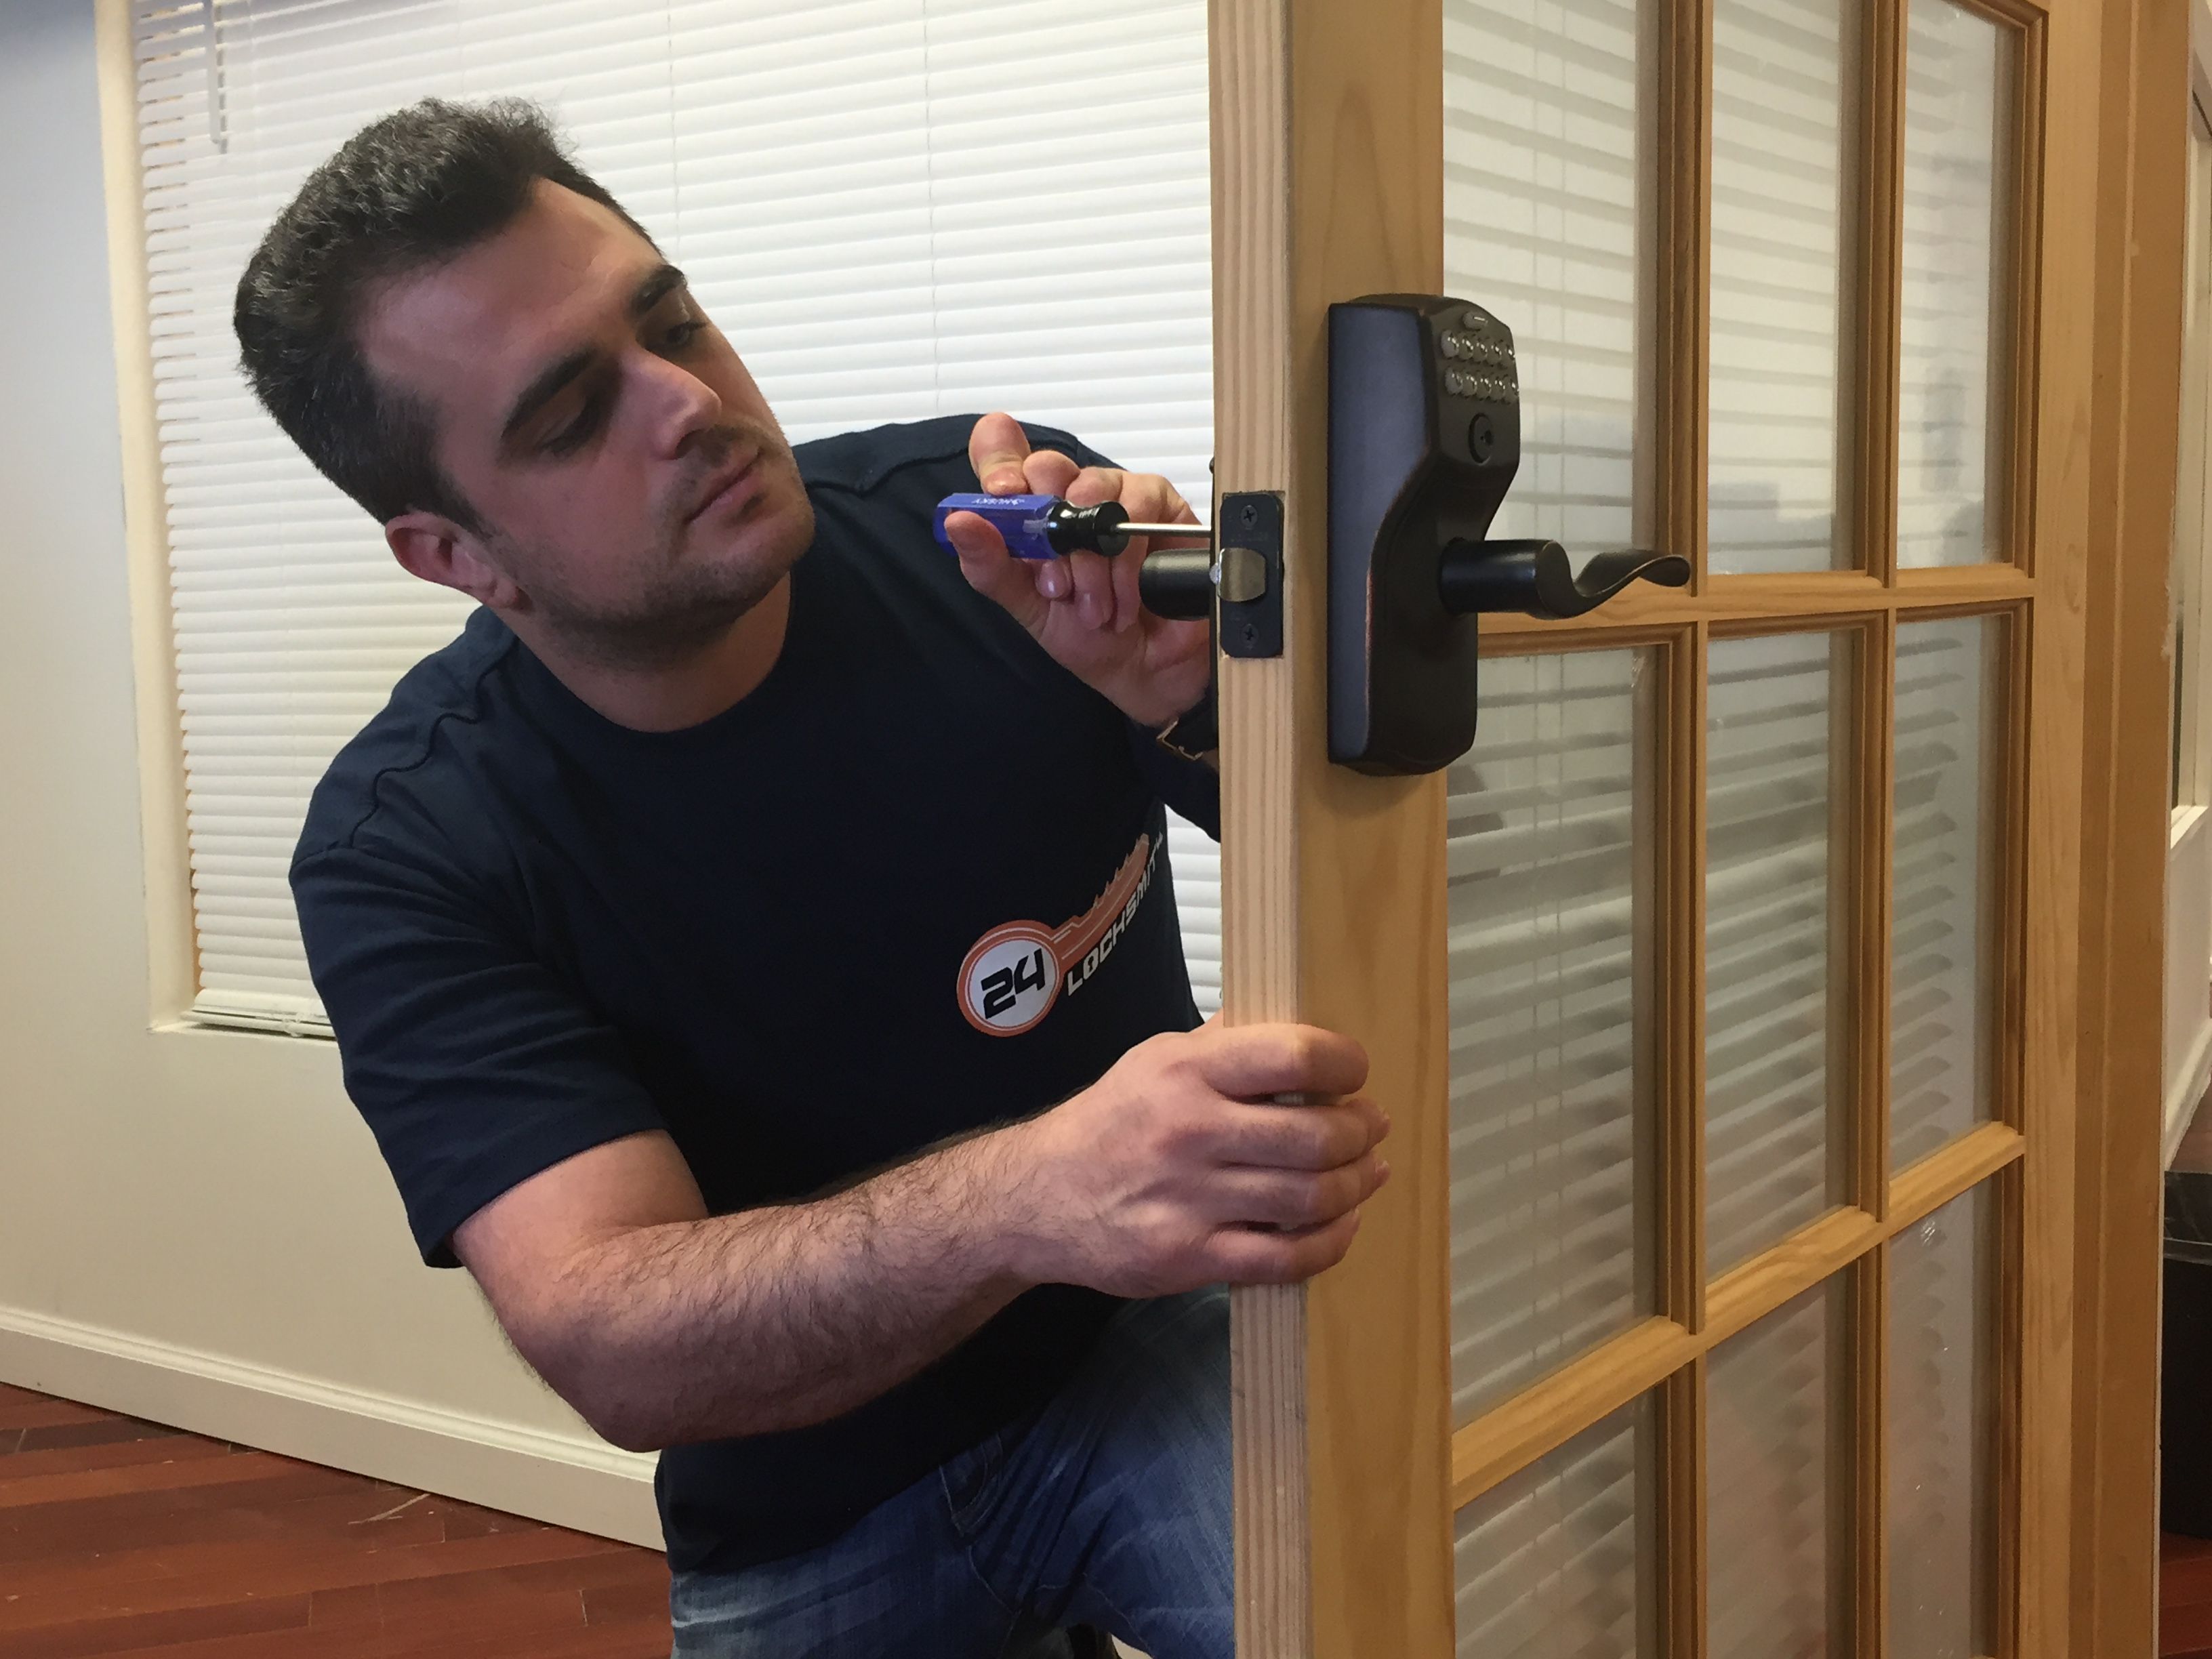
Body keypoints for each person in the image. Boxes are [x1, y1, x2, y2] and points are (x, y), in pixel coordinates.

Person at [235, 97, 1391, 1659]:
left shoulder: (1002, 544)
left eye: (673, 324)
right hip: (812, 1494)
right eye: (571, 414)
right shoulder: (411, 845)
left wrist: (1196, 705)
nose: (689, 403)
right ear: (455, 553)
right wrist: (1034, 1197)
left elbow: (1418, 873)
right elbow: (609, 1335)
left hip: (1163, 1343)